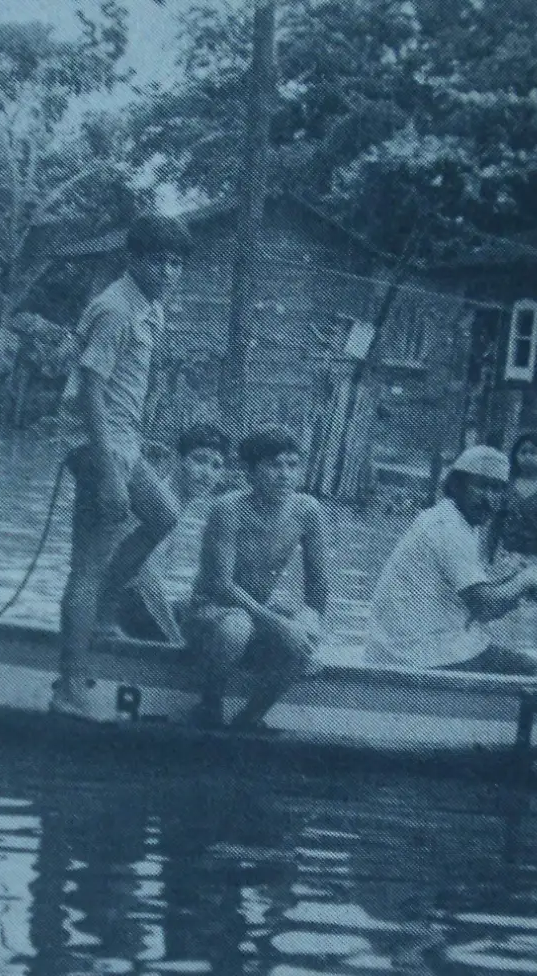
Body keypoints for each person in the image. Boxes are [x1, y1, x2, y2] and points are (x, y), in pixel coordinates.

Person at [51, 213, 193, 719]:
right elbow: (90, 387)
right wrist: (107, 466)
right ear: (134, 260)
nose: (169, 273)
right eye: (159, 262)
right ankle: (68, 686)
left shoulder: (149, 307)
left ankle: (108, 605)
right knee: (86, 565)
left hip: (124, 440)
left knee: (164, 516)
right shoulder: (115, 307)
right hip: (99, 443)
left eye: (177, 264)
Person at [186, 427, 330, 730]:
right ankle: (209, 707)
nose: (285, 475)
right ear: (250, 472)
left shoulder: (307, 510)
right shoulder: (228, 509)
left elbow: (317, 587)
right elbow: (222, 586)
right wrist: (280, 625)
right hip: (210, 612)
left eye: (292, 465)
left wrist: (310, 622)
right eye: (274, 465)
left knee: (305, 634)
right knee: (237, 628)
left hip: (257, 611)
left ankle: (249, 719)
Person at [365, 445, 537, 676]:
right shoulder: (450, 526)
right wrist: (525, 581)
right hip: (416, 654)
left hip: (400, 648)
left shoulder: (453, 519)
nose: (490, 500)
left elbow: (479, 596)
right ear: (455, 485)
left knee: (493, 643)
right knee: (535, 671)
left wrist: (516, 579)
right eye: (482, 487)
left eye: (498, 490)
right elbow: (484, 607)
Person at [112, 424, 231, 645]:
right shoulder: (160, 505)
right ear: (177, 459)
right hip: (119, 607)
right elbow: (144, 581)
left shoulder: (178, 504)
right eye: (200, 460)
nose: (207, 474)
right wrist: (174, 637)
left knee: (223, 615)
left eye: (216, 466)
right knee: (214, 632)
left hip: (133, 603)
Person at [487, 430, 537, 570]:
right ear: (515, 455)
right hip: (507, 559)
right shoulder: (506, 487)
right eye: (523, 452)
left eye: (534, 452)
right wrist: (489, 557)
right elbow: (496, 525)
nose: (528, 457)